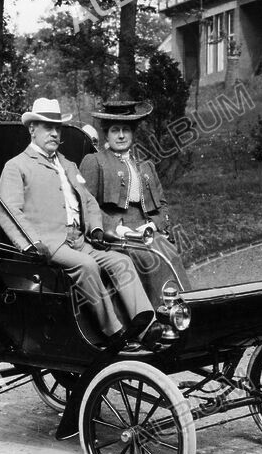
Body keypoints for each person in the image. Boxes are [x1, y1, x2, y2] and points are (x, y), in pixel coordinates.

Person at [0, 97, 154, 350]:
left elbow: (89, 202)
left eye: (57, 128)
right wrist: (30, 244)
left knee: (120, 260)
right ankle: (113, 333)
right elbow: (7, 210)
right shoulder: (17, 166)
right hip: (48, 242)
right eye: (48, 127)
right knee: (87, 266)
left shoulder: (68, 165)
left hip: (80, 240)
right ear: (32, 129)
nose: (55, 133)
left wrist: (97, 228)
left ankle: (144, 325)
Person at [80, 99, 191, 302]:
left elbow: (162, 204)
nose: (121, 135)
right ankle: (158, 318)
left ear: (132, 133)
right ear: (107, 132)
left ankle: (184, 310)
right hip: (114, 236)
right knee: (149, 259)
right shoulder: (94, 162)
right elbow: (86, 205)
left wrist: (154, 224)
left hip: (146, 231)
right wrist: (116, 228)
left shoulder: (145, 165)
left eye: (126, 130)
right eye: (115, 130)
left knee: (170, 253)